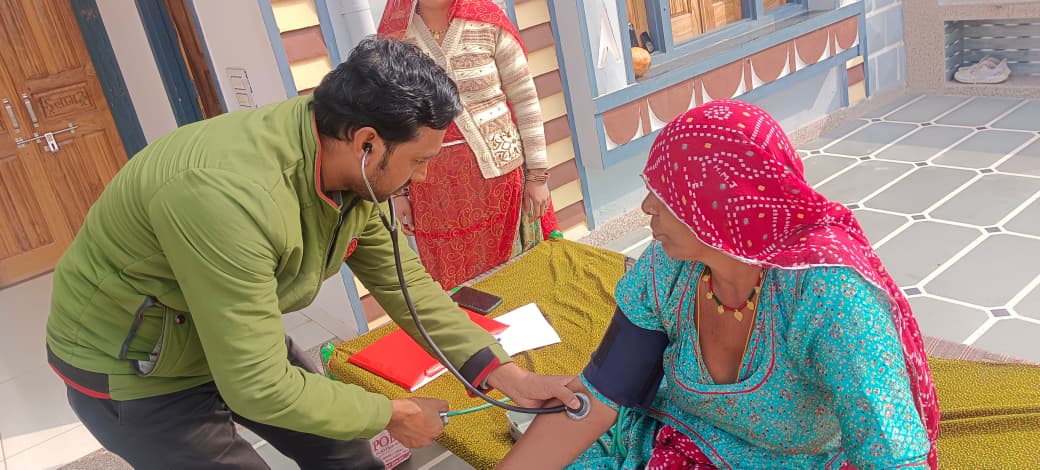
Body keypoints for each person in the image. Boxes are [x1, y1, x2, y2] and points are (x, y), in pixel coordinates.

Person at [45, 37, 578, 469]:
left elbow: (409, 289)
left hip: (222, 332)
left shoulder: (350, 163)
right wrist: (392, 413)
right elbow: (257, 385)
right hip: (136, 367)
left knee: (348, 457)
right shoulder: (227, 197)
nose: (422, 178)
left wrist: (508, 376)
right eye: (419, 161)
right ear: (367, 143)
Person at [498, 100, 940, 469]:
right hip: (679, 444)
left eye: (667, 193)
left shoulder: (829, 294)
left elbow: (890, 453)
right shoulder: (668, 268)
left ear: (722, 202)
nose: (647, 206)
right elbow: (602, 394)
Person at [379, 0, 559, 290]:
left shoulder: (488, 21)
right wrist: (399, 192)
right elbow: (391, 122)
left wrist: (537, 177)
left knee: (517, 281)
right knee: (461, 291)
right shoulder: (397, 36)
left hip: (500, 184)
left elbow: (525, 100)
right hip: (434, 196)